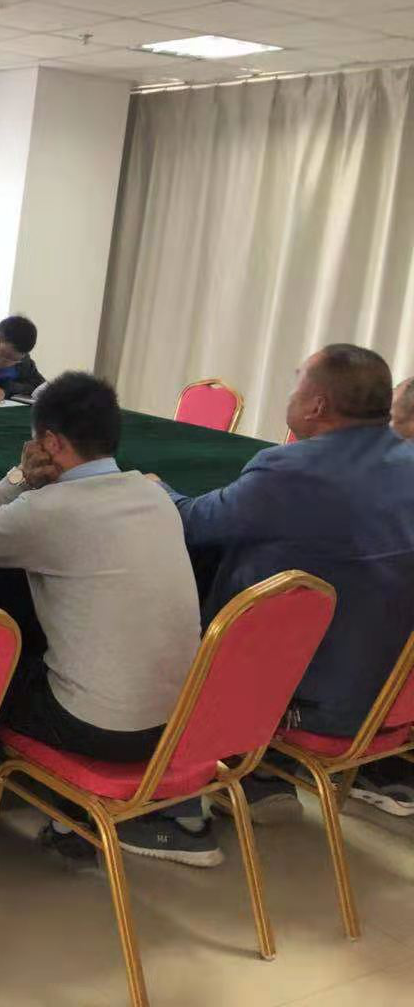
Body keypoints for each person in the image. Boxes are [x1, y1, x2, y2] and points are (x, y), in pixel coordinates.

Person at [0, 372, 210, 866]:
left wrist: (18, 478)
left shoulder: (48, 509)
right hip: (185, 722)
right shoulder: (154, 493)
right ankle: (168, 803)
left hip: (103, 729)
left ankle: (73, 811)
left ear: (50, 443)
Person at [164, 346, 414, 818]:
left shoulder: (291, 470)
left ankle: (178, 792)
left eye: (297, 384)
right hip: (391, 697)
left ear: (317, 405)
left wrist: (155, 491)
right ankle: (257, 772)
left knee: (184, 591)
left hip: (313, 700)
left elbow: (192, 524)